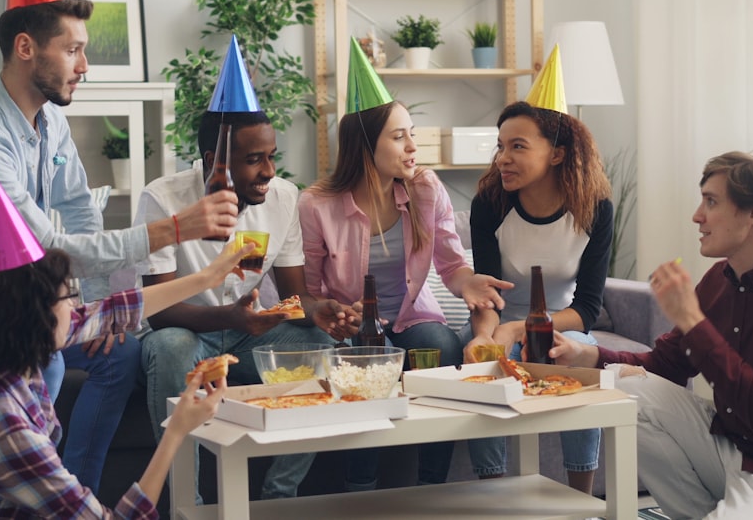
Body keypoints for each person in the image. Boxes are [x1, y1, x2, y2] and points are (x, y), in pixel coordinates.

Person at [0, 0, 238, 494]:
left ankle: (78, 494)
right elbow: (43, 244)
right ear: (26, 48)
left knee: (119, 352)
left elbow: (78, 212)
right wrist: (174, 228)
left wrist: (92, 303)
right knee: (43, 361)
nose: (85, 64)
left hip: (24, 292)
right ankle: (39, 497)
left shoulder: (50, 120)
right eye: (73, 50)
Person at [554, 151, 753, 519]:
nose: (697, 216)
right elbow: (665, 366)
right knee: (624, 388)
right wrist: (590, 356)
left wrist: (691, 319)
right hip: (736, 450)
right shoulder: (720, 280)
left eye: (711, 202)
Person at [0, 239, 246, 517]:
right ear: (36, 318)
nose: (76, 307)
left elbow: (110, 312)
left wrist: (206, 278)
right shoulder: (8, 431)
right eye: (69, 296)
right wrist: (177, 430)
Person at [134, 109, 350, 501]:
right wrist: (230, 318)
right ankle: (189, 504)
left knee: (321, 345)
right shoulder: (162, 198)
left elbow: (294, 295)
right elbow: (158, 310)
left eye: (271, 156)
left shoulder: (283, 197)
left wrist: (316, 310)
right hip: (183, 330)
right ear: (211, 161)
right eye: (254, 160)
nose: (268, 170)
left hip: (243, 336)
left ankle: (279, 498)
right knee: (172, 347)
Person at [298, 97, 511, 491]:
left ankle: (433, 488)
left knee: (441, 344)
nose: (413, 146)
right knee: (362, 363)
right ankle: (360, 490)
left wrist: (468, 283)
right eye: (399, 137)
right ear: (365, 148)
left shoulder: (425, 189)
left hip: (412, 317)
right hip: (351, 327)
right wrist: (330, 310)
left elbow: (450, 264)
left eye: (412, 134)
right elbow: (307, 293)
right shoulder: (316, 204)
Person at [460, 100, 612, 495]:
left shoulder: (595, 209)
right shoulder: (490, 205)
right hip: (495, 320)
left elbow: (588, 310)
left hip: (564, 322)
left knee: (578, 360)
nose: (503, 159)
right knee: (487, 367)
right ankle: (493, 494)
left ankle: (582, 498)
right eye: (500, 146)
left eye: (518, 147)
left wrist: (519, 328)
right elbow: (487, 294)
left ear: (557, 154)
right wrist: (485, 336)